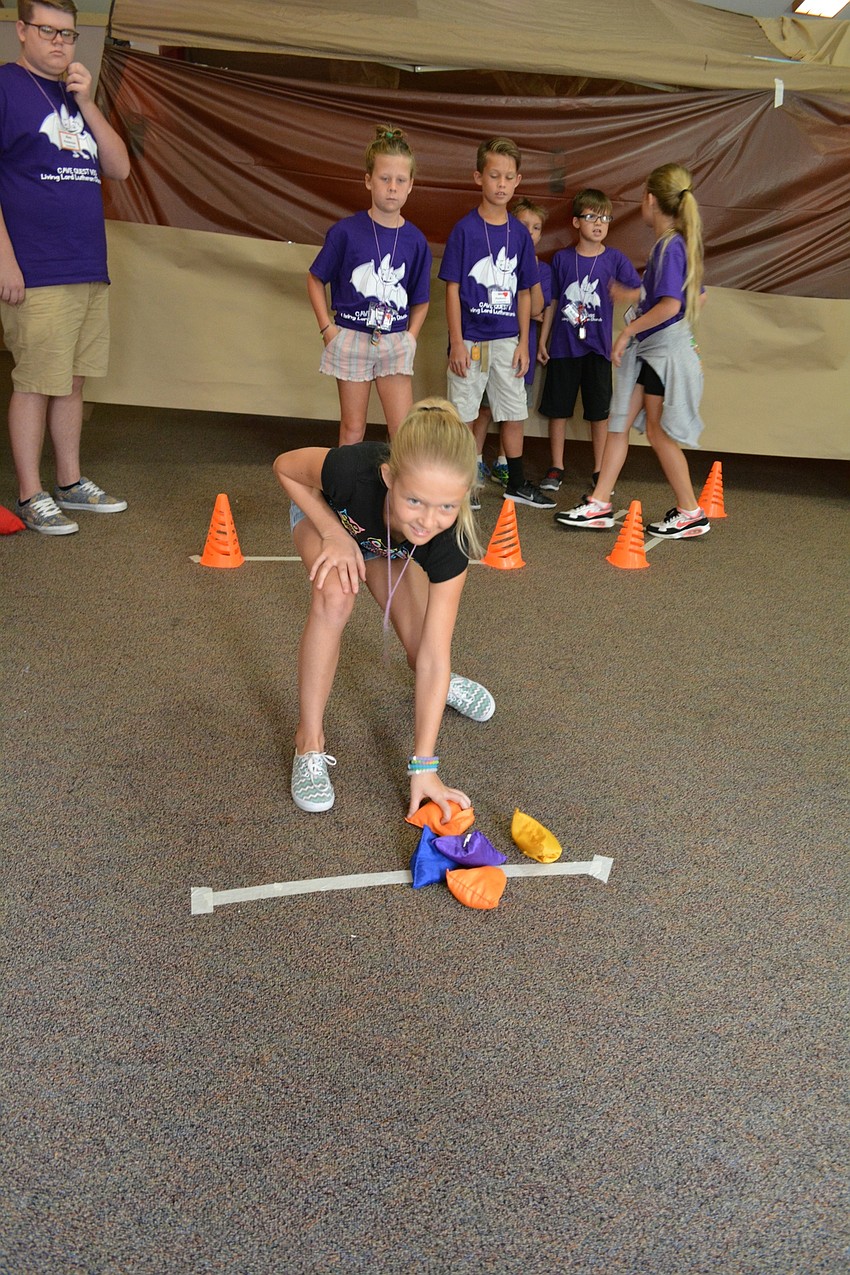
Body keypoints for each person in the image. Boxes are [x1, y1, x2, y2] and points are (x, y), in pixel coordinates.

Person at [273, 397, 495, 818]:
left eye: (446, 506)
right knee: (337, 594)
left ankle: (442, 686)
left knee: (421, 650)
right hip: (328, 516)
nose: (428, 522)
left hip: (382, 543)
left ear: (464, 495)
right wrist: (332, 533)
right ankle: (309, 742)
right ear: (390, 476)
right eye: (416, 501)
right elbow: (286, 467)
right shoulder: (351, 469)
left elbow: (435, 649)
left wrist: (425, 766)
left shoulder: (451, 542)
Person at [0, 0, 130, 536]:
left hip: (86, 264)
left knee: (71, 381)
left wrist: (88, 102)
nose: (59, 43)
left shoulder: (74, 95)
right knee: (34, 381)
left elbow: (119, 167)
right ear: (22, 30)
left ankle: (70, 483)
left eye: (68, 34)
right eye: (48, 31)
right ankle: (31, 492)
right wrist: (5, 259)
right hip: (36, 266)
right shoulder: (7, 85)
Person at [556, 164, 710, 537]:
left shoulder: (671, 246)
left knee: (656, 434)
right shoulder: (671, 244)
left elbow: (672, 305)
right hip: (654, 352)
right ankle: (600, 502)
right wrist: (636, 295)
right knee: (620, 422)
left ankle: (690, 510)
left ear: (651, 200)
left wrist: (627, 333)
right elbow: (695, 296)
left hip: (660, 355)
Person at [439, 138, 554, 509]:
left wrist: (523, 342)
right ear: (478, 177)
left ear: (517, 180)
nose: (501, 184)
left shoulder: (519, 234)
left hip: (507, 339)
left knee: (513, 410)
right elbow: (453, 289)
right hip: (470, 338)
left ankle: (516, 482)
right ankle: (461, 483)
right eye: (494, 176)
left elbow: (524, 293)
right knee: (464, 412)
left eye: (508, 177)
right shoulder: (465, 230)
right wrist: (456, 341)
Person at [307, 125, 431, 447]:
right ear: (368, 180)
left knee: (402, 429)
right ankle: (344, 496)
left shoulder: (416, 241)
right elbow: (315, 278)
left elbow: (420, 299)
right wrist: (327, 329)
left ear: (411, 186)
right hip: (351, 336)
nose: (392, 187)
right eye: (384, 178)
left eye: (400, 180)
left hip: (395, 340)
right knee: (352, 428)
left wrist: (410, 338)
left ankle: (400, 497)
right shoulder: (346, 232)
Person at [537, 188, 640, 493]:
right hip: (563, 348)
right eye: (592, 216)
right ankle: (556, 466)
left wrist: (631, 315)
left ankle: (599, 468)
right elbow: (553, 301)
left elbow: (638, 290)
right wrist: (544, 340)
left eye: (605, 217)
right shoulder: (563, 259)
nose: (599, 223)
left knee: (599, 413)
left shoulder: (615, 259)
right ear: (576, 221)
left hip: (597, 350)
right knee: (558, 410)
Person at [485, 197, 551, 488]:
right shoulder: (494, 257)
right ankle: (472, 463)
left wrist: (530, 271)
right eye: (524, 225)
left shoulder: (541, 269)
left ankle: (505, 465)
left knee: (513, 410)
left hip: (519, 347)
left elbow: (537, 308)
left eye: (536, 228)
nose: (530, 232)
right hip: (487, 342)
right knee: (483, 409)